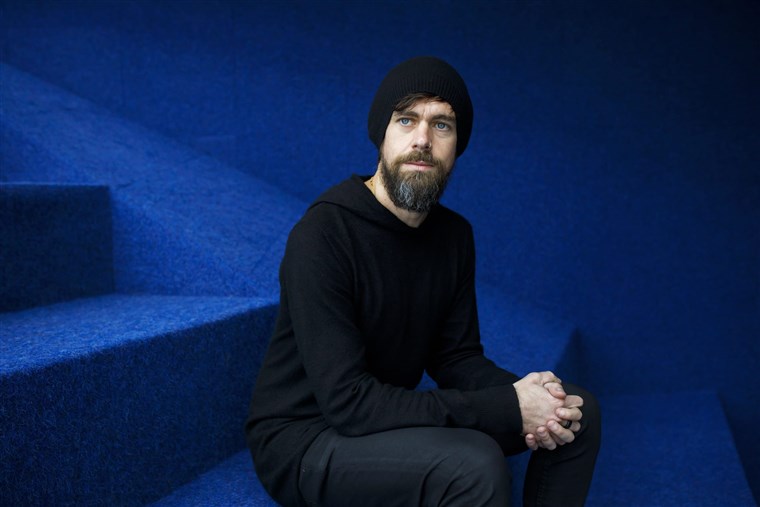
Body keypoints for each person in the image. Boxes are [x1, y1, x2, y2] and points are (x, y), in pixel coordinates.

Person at [246, 56, 601, 507]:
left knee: (575, 412)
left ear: (457, 147)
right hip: (306, 440)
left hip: (382, 419)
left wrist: (535, 399)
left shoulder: (453, 236)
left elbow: (457, 358)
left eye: (442, 125)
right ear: (381, 134)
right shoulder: (323, 235)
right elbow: (348, 403)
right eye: (406, 120)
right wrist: (508, 407)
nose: (422, 140)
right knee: (474, 466)